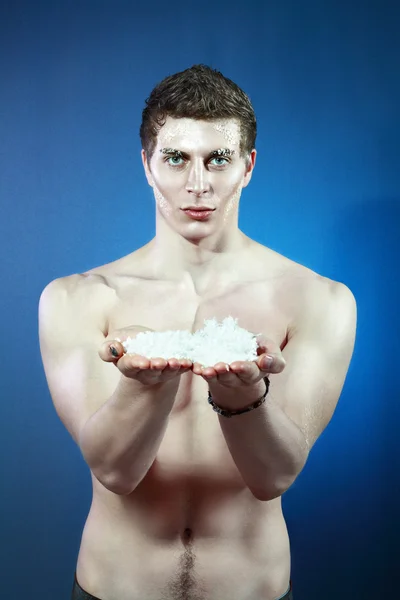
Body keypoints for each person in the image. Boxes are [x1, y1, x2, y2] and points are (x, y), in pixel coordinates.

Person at [38, 64, 357, 600]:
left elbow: (274, 477)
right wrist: (144, 387)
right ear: (146, 164)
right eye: (176, 158)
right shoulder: (78, 298)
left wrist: (245, 398)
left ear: (247, 166)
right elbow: (115, 471)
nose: (198, 184)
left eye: (218, 159)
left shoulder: (318, 299)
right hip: (113, 589)